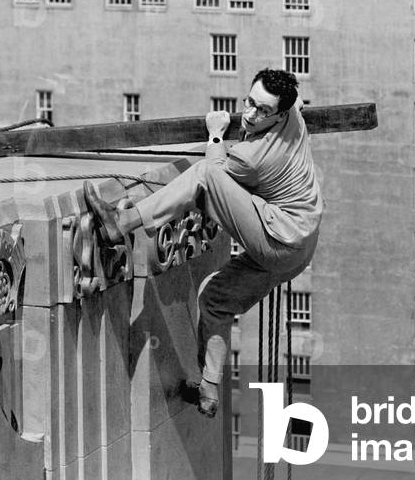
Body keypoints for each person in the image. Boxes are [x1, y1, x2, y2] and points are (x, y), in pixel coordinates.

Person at [83, 69, 322, 418]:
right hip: (301, 247)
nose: (251, 114)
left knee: (203, 174)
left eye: (262, 110)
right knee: (215, 300)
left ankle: (123, 223)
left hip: (276, 239)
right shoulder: (295, 117)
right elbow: (294, 96)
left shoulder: (252, 158)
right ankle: (209, 388)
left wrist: (214, 134)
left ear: (281, 114)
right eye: (249, 103)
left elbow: (216, 171)